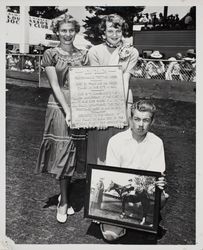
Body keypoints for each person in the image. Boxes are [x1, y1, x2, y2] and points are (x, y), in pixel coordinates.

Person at [35, 14, 88, 223]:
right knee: (64, 153)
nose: (67, 34)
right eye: (63, 30)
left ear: (76, 31)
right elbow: (55, 86)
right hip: (59, 106)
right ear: (58, 31)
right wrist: (68, 111)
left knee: (74, 153)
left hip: (80, 107)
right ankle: (64, 201)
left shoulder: (84, 55)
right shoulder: (50, 54)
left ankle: (64, 195)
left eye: (71, 30)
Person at [100, 99, 169, 242]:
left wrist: (159, 183)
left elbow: (155, 175)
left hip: (142, 189)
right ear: (130, 119)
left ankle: (147, 217)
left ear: (152, 121)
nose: (140, 125)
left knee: (161, 196)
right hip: (125, 187)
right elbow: (112, 174)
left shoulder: (157, 143)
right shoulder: (115, 141)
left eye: (146, 120)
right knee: (110, 236)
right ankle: (126, 219)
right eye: (137, 119)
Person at [87, 14, 139, 166]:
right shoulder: (94, 51)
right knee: (100, 146)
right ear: (103, 33)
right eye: (110, 31)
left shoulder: (131, 51)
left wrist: (118, 109)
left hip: (123, 98)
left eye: (118, 31)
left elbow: (125, 78)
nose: (115, 35)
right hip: (100, 100)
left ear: (123, 31)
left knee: (122, 143)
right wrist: (103, 112)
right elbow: (98, 81)